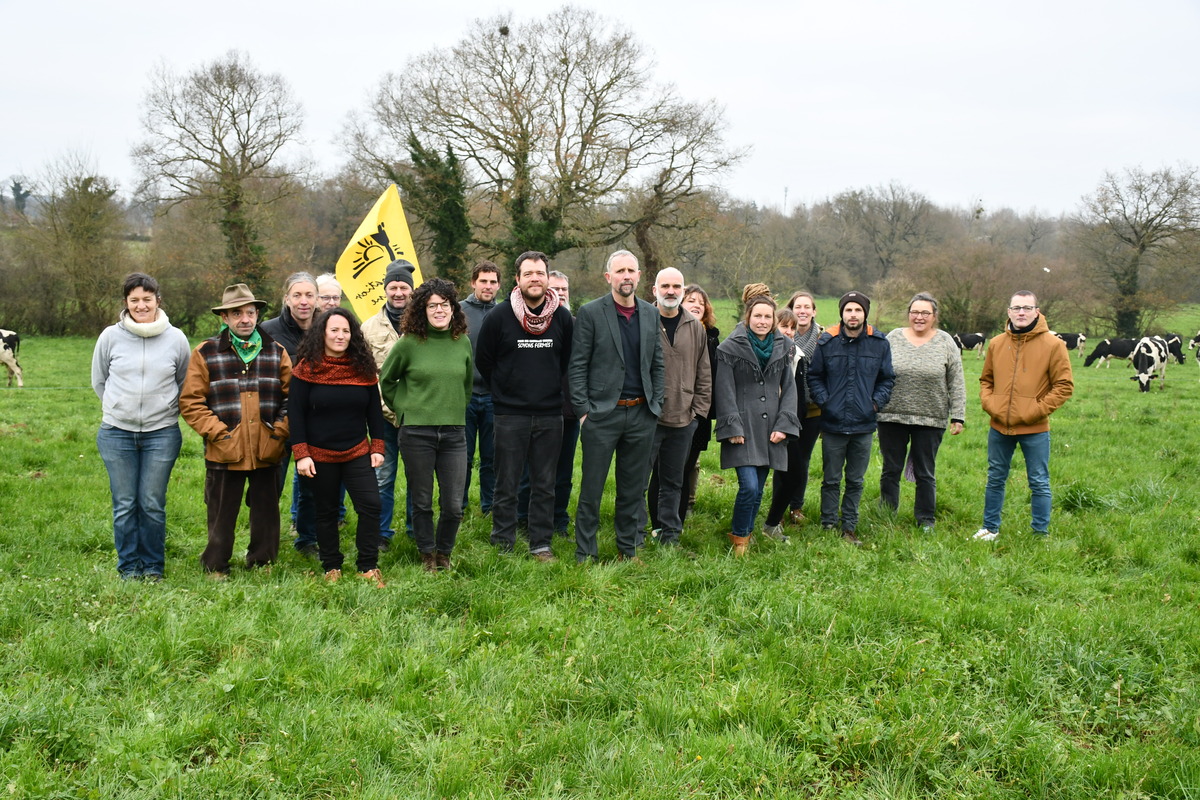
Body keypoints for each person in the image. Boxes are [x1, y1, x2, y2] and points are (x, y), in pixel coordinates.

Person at [180, 284, 291, 579]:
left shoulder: (276, 352)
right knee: (220, 513)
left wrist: (279, 432)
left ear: (257, 315)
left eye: (250, 312)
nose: (245, 319)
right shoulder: (205, 353)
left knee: (266, 511)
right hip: (224, 449)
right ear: (225, 318)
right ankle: (216, 565)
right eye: (237, 313)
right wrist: (218, 433)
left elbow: (293, 398)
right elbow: (191, 402)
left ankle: (263, 562)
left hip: (267, 448)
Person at [91, 273, 192, 581]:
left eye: (147, 299)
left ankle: (152, 567)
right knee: (124, 504)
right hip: (116, 433)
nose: (141, 305)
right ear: (126, 303)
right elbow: (99, 379)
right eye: (134, 300)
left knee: (151, 503)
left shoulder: (176, 338)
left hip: (161, 433)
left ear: (157, 300)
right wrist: (118, 407)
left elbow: (184, 381)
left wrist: (162, 409)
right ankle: (128, 568)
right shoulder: (110, 336)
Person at [476, 251, 574, 561]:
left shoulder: (562, 318)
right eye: (528, 273)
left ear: (548, 279)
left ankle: (540, 544)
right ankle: (503, 542)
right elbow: (485, 361)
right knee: (507, 482)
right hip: (509, 414)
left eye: (540, 273)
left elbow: (567, 361)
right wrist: (507, 391)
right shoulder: (499, 317)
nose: (535, 278)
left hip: (549, 414)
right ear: (517, 279)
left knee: (545, 483)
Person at [568, 249, 664, 564]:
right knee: (592, 490)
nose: (626, 276)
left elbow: (658, 363)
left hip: (641, 414)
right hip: (601, 415)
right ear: (609, 277)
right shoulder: (592, 312)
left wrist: (656, 404)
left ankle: (628, 549)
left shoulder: (651, 313)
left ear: (638, 276)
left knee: (632, 491)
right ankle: (585, 552)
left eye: (631, 270)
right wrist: (583, 412)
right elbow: (577, 365)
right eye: (619, 271)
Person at [380, 278, 473, 572]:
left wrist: (454, 408)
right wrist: (405, 409)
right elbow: (387, 380)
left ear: (453, 308)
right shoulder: (408, 343)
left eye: (444, 305)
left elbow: (467, 385)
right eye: (432, 306)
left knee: (454, 504)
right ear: (422, 310)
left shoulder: (463, 342)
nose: (439, 310)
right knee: (421, 501)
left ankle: (444, 552)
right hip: (416, 431)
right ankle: (427, 554)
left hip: (454, 432)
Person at [289, 308, 387, 587]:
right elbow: (295, 414)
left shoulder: (362, 368)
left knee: (371, 505)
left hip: (357, 451)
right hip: (318, 455)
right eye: (334, 330)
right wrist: (302, 454)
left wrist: (377, 447)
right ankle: (331, 566)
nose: (340, 335)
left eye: (345, 331)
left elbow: (374, 413)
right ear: (322, 333)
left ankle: (367, 566)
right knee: (326, 511)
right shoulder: (306, 368)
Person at [974, 291, 1073, 541]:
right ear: (1008, 312)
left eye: (1027, 308)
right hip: (999, 426)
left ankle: (1040, 533)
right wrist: (990, 404)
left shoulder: (1054, 345)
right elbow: (986, 380)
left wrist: (1035, 411)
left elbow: (1064, 386)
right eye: (1016, 307)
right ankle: (989, 528)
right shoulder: (996, 344)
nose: (1021, 312)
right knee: (995, 477)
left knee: (1039, 481)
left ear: (1037, 312)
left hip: (1035, 428)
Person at [713, 294, 800, 556]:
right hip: (743, 425)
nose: (762, 321)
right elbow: (724, 390)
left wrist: (784, 424)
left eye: (767, 317)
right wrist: (732, 428)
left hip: (771, 426)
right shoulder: (729, 348)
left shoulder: (784, 346)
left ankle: (747, 534)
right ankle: (739, 538)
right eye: (757, 316)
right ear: (748, 317)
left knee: (759, 488)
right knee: (749, 486)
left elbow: (790, 388)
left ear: (774, 320)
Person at [808, 291, 894, 546]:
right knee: (831, 478)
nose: (852, 315)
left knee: (856, 480)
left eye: (857, 310)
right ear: (842, 313)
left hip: (864, 425)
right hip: (833, 424)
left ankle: (849, 526)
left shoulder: (879, 343)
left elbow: (887, 378)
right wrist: (826, 402)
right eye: (848, 310)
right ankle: (828, 523)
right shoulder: (827, 342)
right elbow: (815, 376)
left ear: (865, 313)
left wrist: (875, 403)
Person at [875, 292, 966, 531]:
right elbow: (877, 372)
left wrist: (958, 415)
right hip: (891, 415)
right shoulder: (893, 338)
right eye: (915, 312)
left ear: (934, 316)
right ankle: (887, 514)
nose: (919, 317)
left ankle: (925, 519)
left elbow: (956, 380)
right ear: (908, 314)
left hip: (931, 418)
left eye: (925, 313)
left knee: (926, 472)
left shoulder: (946, 341)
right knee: (890, 469)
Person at [641, 267, 711, 549]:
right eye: (665, 285)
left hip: (684, 420)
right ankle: (635, 535)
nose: (671, 291)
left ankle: (670, 536)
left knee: (673, 483)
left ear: (683, 291)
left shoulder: (694, 326)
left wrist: (698, 412)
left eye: (676, 286)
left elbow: (704, 371)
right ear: (654, 289)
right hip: (647, 418)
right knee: (638, 482)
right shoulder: (642, 321)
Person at [260, 272, 322, 556]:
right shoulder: (268, 331)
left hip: (316, 424)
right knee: (271, 485)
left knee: (313, 487)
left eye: (309, 295)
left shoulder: (328, 327)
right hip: (279, 421)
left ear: (318, 298)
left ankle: (307, 539)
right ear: (286, 299)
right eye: (297, 295)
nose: (303, 301)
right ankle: (265, 542)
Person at [516, 269, 579, 537]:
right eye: (557, 289)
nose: (561, 293)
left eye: (565, 289)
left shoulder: (575, 324)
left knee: (563, 473)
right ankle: (523, 519)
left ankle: (559, 520)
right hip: (535, 411)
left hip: (569, 412)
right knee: (530, 472)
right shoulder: (529, 324)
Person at [361, 259, 416, 551]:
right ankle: (381, 533)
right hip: (381, 416)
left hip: (416, 414)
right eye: (393, 287)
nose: (398, 292)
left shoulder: (424, 325)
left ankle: (415, 528)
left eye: (403, 287)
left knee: (417, 477)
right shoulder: (369, 327)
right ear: (385, 290)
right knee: (382, 477)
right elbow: (363, 371)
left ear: (411, 291)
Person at [763, 291, 823, 531]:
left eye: (807, 307)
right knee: (783, 463)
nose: (803, 310)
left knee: (802, 461)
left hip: (812, 408)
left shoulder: (822, 337)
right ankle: (775, 515)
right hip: (784, 411)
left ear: (813, 311)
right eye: (798, 306)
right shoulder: (778, 343)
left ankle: (795, 507)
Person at [673, 284, 721, 520]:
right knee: (671, 465)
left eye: (701, 303)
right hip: (672, 408)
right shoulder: (670, 331)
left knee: (690, 462)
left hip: (699, 413)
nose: (696, 305)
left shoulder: (712, 338)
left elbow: (712, 377)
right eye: (690, 300)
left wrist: (702, 410)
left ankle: (684, 508)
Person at [461, 261, 501, 515]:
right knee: (461, 458)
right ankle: (459, 505)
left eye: (493, 282)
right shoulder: (458, 311)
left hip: (494, 397)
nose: (488, 286)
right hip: (463, 396)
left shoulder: (506, 312)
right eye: (483, 281)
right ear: (473, 282)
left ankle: (489, 506)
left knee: (491, 458)